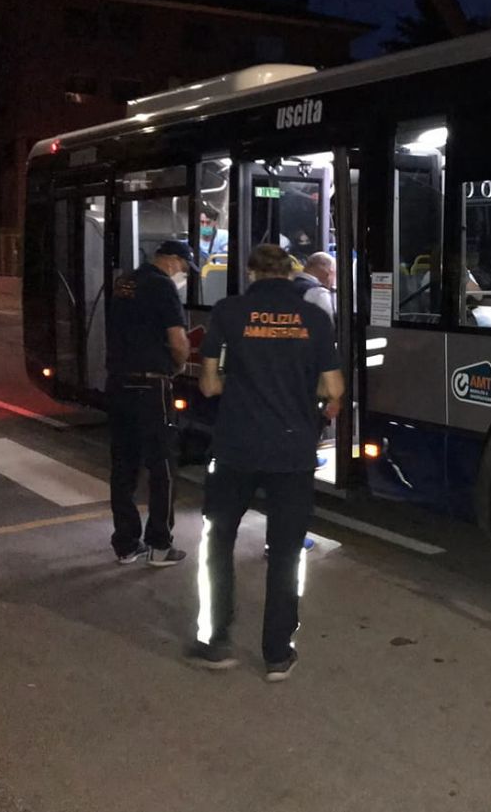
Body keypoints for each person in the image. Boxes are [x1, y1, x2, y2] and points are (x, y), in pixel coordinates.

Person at [190, 244, 344, 681]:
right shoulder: (314, 318)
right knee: (287, 552)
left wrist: (233, 385)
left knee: (218, 542)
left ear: (252, 273)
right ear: (290, 274)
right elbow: (333, 388)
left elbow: (207, 386)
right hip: (292, 453)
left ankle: (216, 640)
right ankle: (278, 653)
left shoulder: (228, 312)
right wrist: (318, 402)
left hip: (236, 447)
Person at [106, 240, 193, 566]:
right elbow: (177, 340)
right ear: (171, 260)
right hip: (151, 385)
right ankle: (159, 545)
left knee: (124, 464)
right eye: (183, 267)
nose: (182, 274)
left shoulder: (125, 282)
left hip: (118, 383)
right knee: (162, 465)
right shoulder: (162, 286)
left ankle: (126, 543)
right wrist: (180, 364)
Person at [294, 250, 336, 323]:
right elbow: (327, 326)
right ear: (327, 271)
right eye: (333, 273)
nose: (333, 281)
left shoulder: (288, 287)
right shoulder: (319, 293)